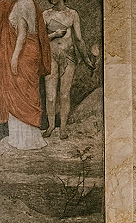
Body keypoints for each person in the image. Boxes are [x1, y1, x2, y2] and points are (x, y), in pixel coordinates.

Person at [0, 0, 51, 150]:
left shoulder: (21, 4)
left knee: (18, 93)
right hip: (31, 51)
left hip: (23, 52)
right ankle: (30, 138)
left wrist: (15, 57)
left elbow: (22, 33)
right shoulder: (31, 3)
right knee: (27, 92)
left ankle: (22, 141)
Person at [42, 0, 95, 140]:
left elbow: (78, 39)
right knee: (51, 96)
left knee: (64, 95)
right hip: (51, 58)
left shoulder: (72, 14)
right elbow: (40, 39)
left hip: (69, 57)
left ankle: (63, 128)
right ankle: (51, 125)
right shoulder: (45, 15)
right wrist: (54, 35)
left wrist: (86, 59)